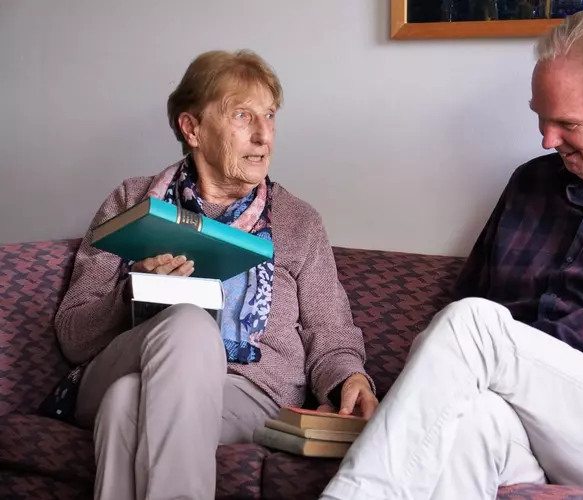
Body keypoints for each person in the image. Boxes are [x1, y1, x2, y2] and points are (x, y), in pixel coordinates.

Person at [321, 11, 583, 500]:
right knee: (470, 424)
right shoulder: (531, 182)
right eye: (540, 118)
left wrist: (507, 350)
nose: (547, 139)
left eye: (567, 123)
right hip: (532, 417)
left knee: (473, 326)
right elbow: (472, 295)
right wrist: (500, 361)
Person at [52, 49, 378, 500]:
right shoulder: (131, 201)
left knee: (126, 403)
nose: (264, 136)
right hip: (118, 363)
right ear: (192, 129)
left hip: (248, 394)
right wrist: (134, 293)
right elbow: (73, 335)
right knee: (187, 324)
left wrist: (350, 378)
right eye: (243, 116)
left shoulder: (299, 222)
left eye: (269, 116)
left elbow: (330, 328)